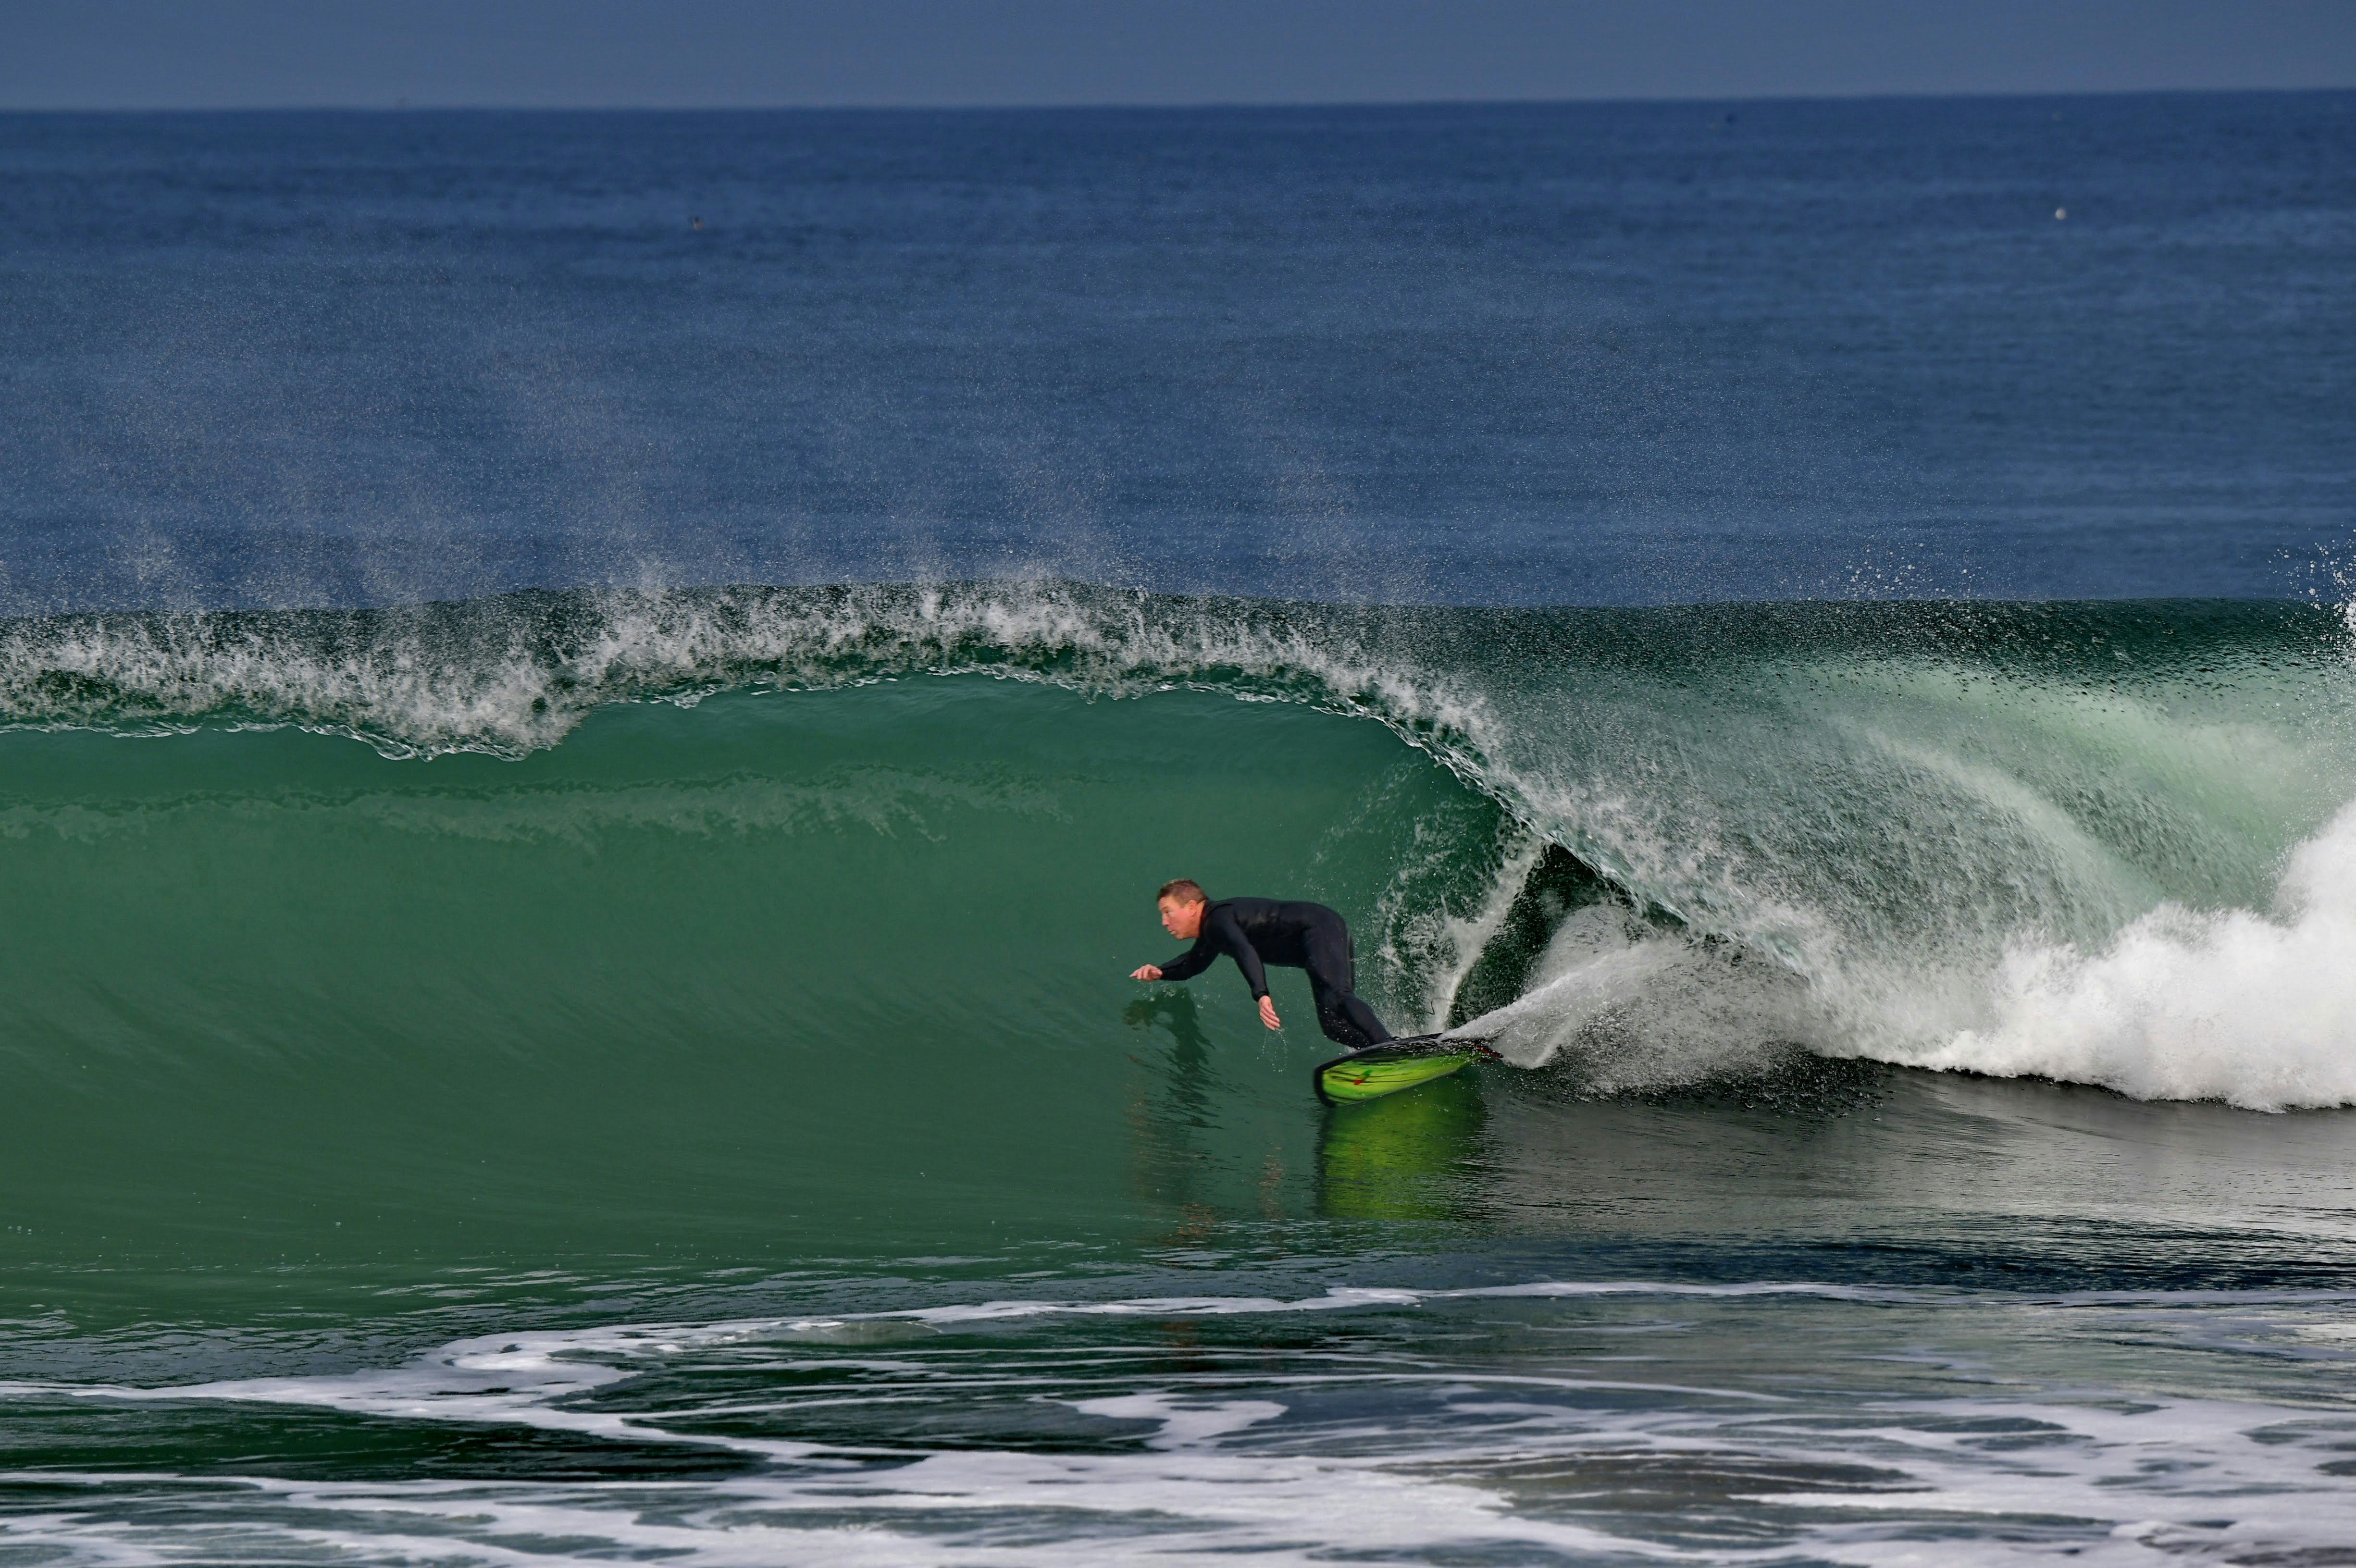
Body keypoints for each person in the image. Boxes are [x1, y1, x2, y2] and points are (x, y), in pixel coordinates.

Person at [1128, 879, 1395, 1051]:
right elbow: (1192, 964)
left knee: (1339, 997)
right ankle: (1376, 1052)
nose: (1164, 922)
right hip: (1317, 937)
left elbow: (1246, 951)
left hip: (1318, 928)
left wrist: (1261, 995)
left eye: (1168, 912)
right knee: (1333, 1026)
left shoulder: (1218, 920)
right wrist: (1160, 972)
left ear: (1191, 907)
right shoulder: (1213, 933)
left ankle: (1388, 1047)